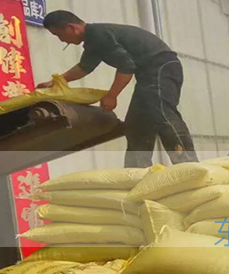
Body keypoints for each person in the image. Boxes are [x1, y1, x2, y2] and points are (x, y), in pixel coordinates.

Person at [37, 10, 198, 167]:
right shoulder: (94, 39)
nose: (61, 40)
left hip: (162, 68)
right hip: (148, 76)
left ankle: (188, 165)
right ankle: (136, 172)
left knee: (161, 112)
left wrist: (111, 96)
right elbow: (84, 67)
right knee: (136, 123)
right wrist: (57, 81)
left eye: (59, 35)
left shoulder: (99, 35)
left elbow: (126, 67)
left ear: (71, 28)